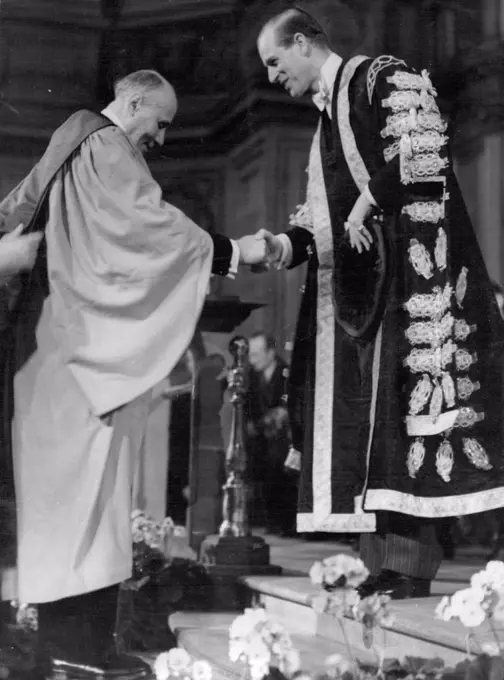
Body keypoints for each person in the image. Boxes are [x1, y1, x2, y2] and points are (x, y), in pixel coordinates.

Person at [0, 69, 266, 678]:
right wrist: (240, 251)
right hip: (78, 362)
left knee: (75, 510)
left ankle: (77, 650)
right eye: (161, 121)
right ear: (133, 100)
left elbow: (20, 216)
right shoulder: (102, 142)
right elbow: (151, 229)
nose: (163, 138)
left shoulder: (71, 147)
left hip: (51, 357)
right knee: (85, 510)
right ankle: (75, 654)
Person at [255, 7, 504, 599]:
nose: (270, 76)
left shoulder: (378, 77)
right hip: (364, 302)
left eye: (274, 60)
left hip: (409, 288)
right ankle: (383, 564)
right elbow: (328, 229)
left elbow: (425, 153)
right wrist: (275, 247)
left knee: (405, 418)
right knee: (370, 425)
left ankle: (406, 567)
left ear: (302, 43)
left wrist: (366, 202)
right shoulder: (324, 124)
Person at [245, 332, 297, 536]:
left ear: (270, 352)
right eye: (251, 355)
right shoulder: (252, 376)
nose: (252, 360)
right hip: (260, 439)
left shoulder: (286, 373)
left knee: (282, 477)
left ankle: (286, 525)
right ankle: (271, 522)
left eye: (257, 354)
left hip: (283, 440)